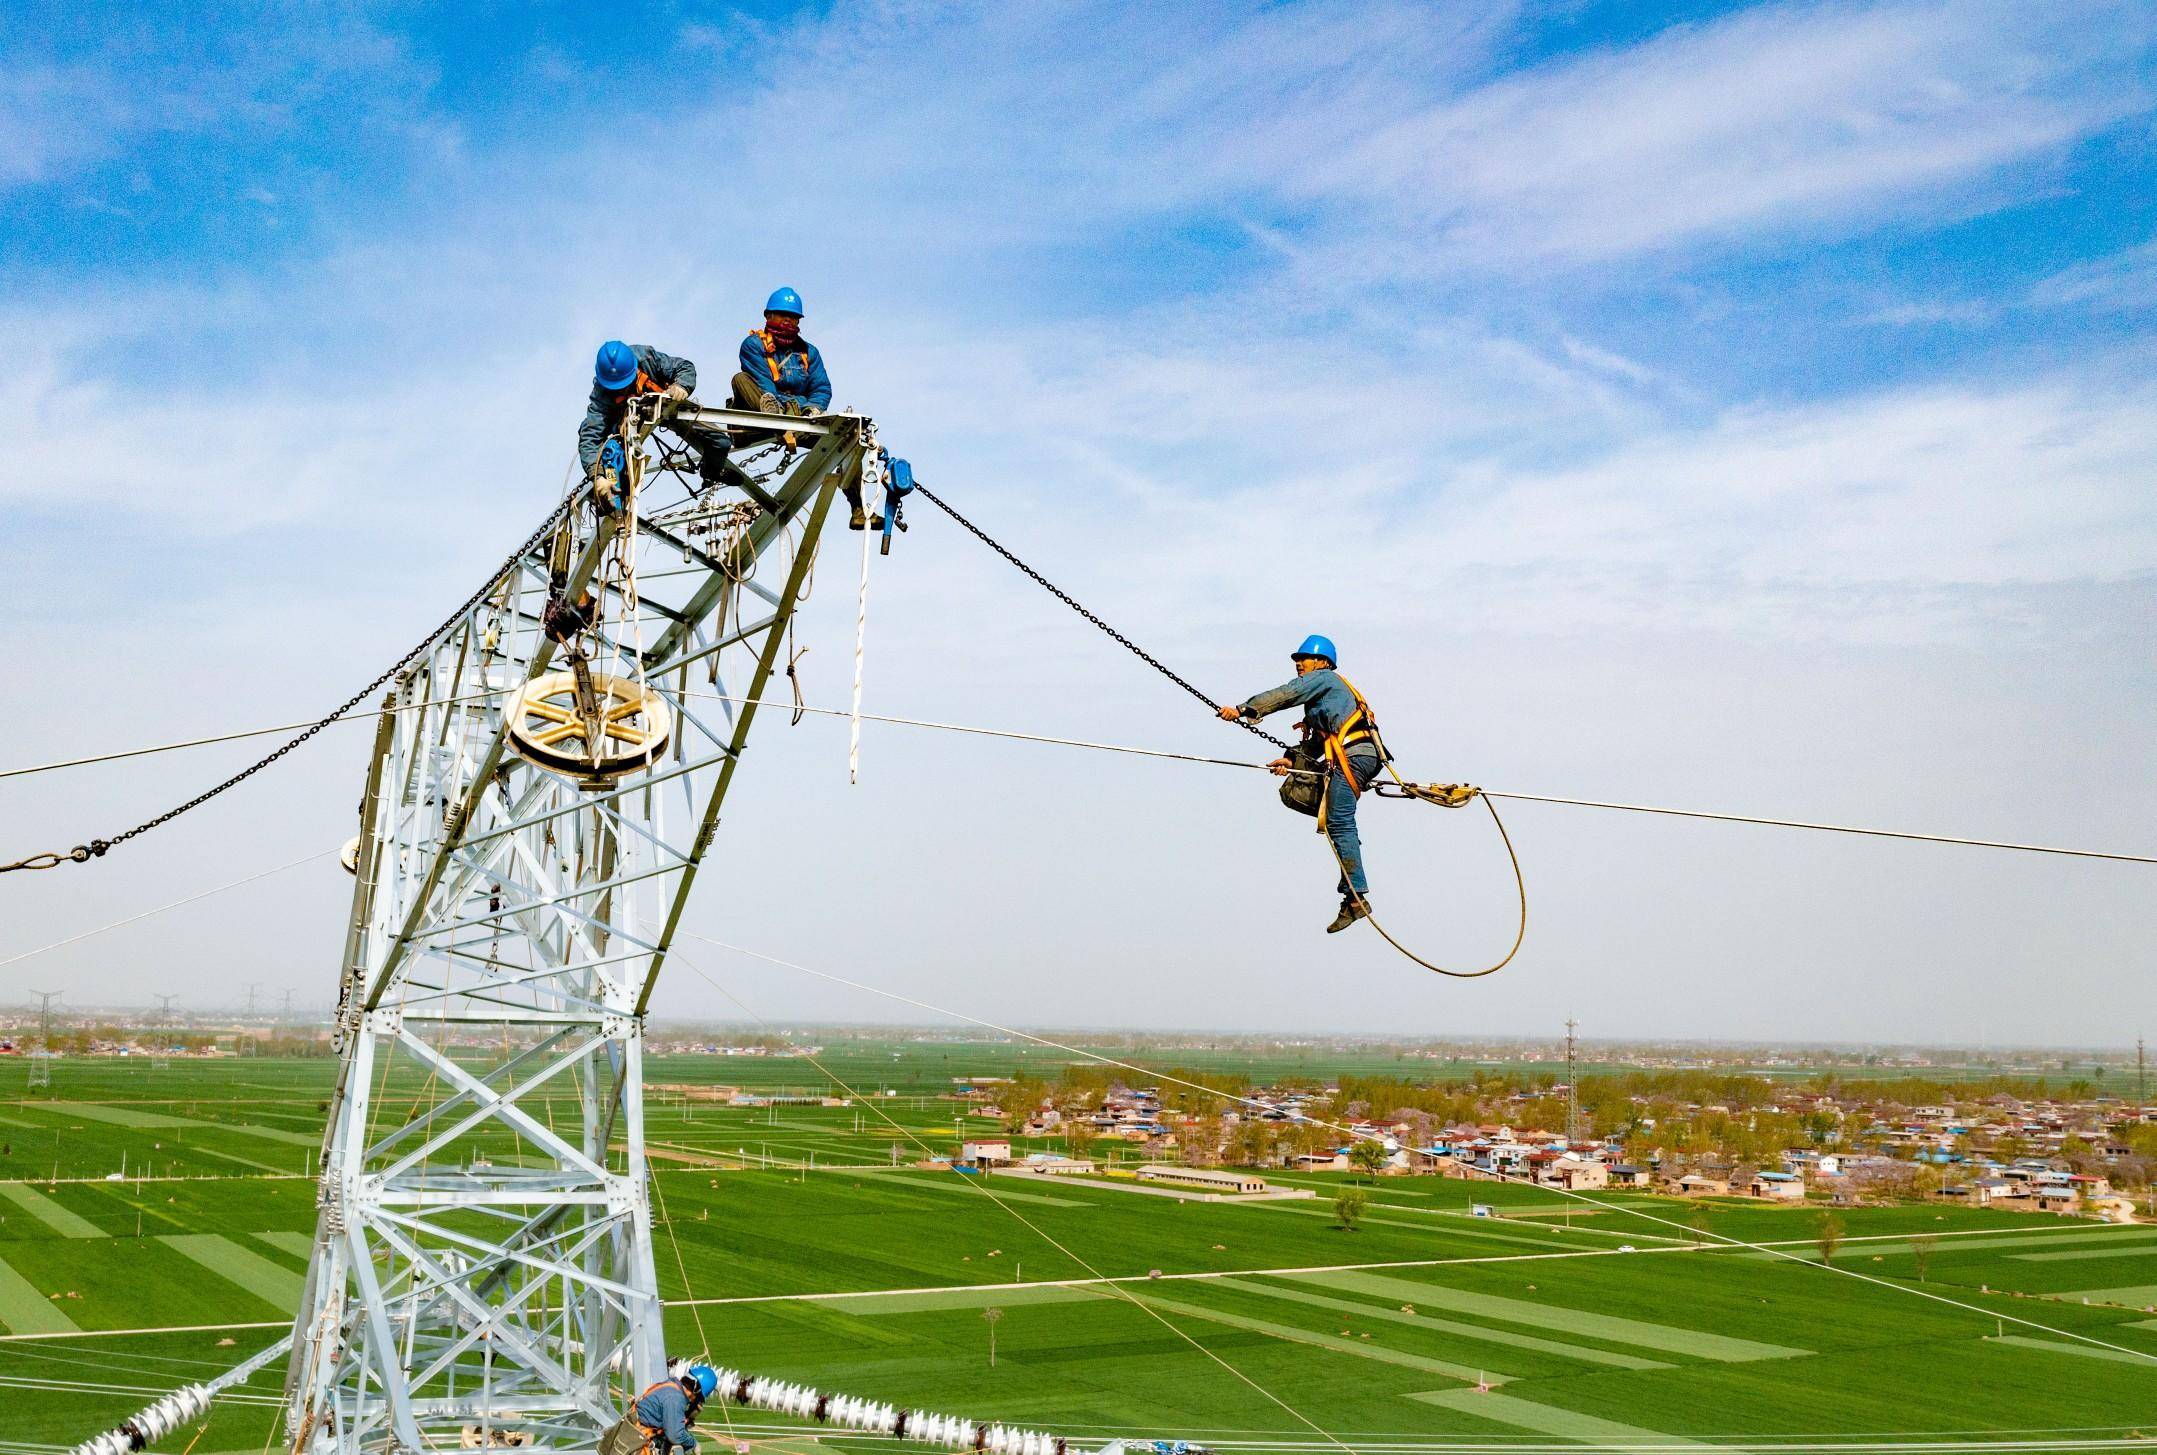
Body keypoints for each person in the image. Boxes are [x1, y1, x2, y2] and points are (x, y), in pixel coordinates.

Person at [1218, 635, 1386, 934]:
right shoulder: (1326, 699)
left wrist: (1243, 709)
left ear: (1322, 662)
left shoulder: (1324, 679)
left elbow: (1286, 694)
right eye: (1297, 659)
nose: (1299, 664)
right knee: (1334, 816)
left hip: (1354, 757)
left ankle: (1356, 897)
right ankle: (1353, 889)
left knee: (1340, 822)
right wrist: (1290, 760)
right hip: (1352, 756)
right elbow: (1319, 742)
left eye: (1304, 658)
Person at [729, 288, 866, 528]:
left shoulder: (808, 352)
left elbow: (821, 388)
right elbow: (764, 387)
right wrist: (788, 410)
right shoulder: (753, 345)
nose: (788, 321)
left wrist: (811, 410)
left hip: (798, 419)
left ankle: (858, 506)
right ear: (768, 316)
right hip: (761, 416)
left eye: (793, 318)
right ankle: (774, 420)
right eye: (782, 315)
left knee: (847, 440)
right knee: (741, 380)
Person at [578, 340, 737, 499]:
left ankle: (712, 472)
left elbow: (685, 367)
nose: (622, 388)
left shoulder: (646, 359)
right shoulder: (602, 392)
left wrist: (681, 385)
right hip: (629, 424)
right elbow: (590, 434)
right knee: (611, 452)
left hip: (671, 406)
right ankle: (612, 491)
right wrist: (597, 477)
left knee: (721, 443)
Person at [602, 1363, 717, 1455]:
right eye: (699, 1396)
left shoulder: (670, 1385)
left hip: (628, 1438)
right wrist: (693, 1443)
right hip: (637, 1444)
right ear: (696, 1390)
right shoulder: (675, 1399)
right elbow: (675, 1434)